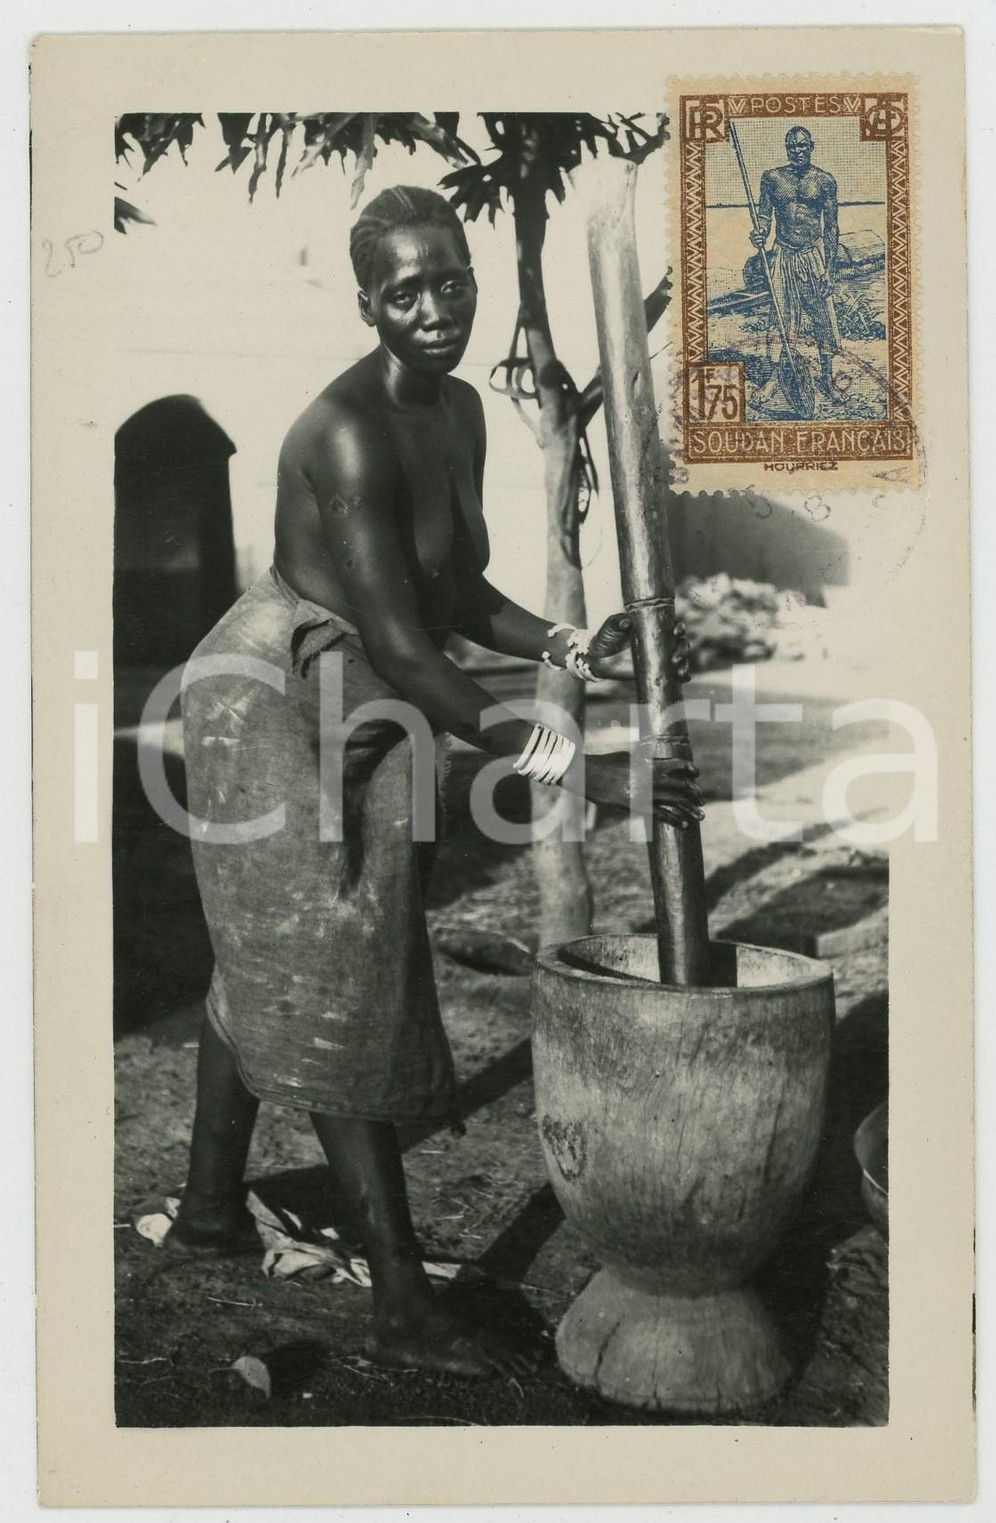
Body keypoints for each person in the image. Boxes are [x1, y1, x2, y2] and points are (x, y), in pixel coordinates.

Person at [167, 185, 703, 1378]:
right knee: (328, 969)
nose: (433, 308)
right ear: (368, 303)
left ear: (472, 275)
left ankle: (209, 1210)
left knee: (285, 946)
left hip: (364, 684)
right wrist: (577, 770)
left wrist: (568, 648)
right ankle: (402, 1298)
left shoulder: (459, 408)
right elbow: (410, 649)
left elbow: (451, 592)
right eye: (402, 291)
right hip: (264, 700)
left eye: (449, 279)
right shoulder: (344, 432)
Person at [749, 126, 840, 396]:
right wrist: (759, 233)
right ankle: (778, 378)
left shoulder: (824, 181)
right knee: (782, 317)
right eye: (792, 147)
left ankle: (828, 378)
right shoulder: (772, 178)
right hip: (783, 253)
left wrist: (830, 270)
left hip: (812, 254)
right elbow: (764, 217)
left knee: (824, 317)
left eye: (802, 146)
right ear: (786, 148)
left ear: (812, 146)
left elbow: (832, 228)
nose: (797, 151)